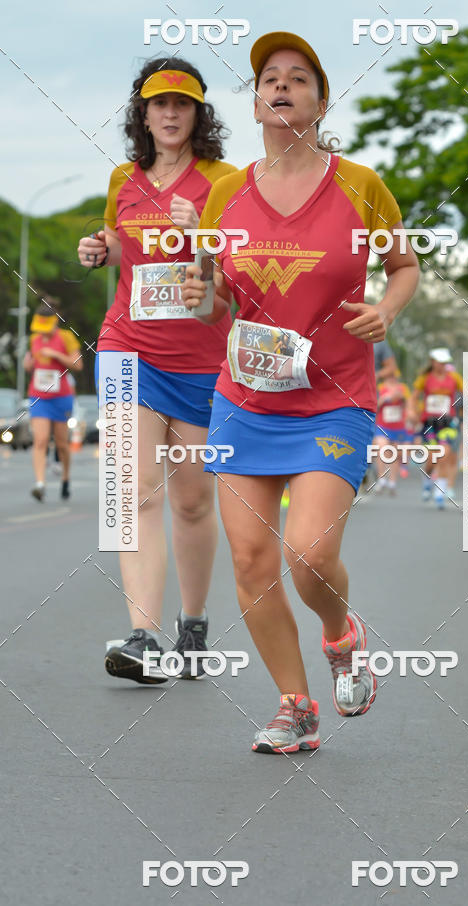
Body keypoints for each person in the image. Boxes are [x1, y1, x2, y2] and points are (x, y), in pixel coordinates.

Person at [182, 31, 419, 753]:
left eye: (298, 78)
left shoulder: (361, 185)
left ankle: (341, 635)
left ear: (320, 101)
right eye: (269, 79)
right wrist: (201, 299)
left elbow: (405, 266)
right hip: (245, 401)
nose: (281, 86)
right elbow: (217, 301)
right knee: (251, 560)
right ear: (256, 102)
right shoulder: (225, 194)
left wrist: (387, 310)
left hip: (334, 399)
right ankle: (295, 706)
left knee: (309, 554)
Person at [77, 59, 237, 683]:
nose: (170, 113)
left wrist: (204, 236)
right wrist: (100, 249)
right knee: (135, 486)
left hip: (200, 358)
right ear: (142, 114)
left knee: (191, 501)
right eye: (159, 103)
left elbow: (238, 269)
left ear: (198, 113)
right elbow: (123, 243)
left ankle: (192, 624)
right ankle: (143, 636)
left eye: (182, 103)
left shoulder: (223, 180)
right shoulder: (123, 177)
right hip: (128, 346)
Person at [23, 299, 82, 502]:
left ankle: (65, 478)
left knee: (62, 443)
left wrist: (56, 354)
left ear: (55, 322)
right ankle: (40, 484)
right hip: (39, 396)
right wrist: (28, 365)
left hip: (61, 397)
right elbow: (32, 364)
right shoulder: (34, 339)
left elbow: (78, 364)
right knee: (40, 440)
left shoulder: (66, 337)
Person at [412, 348, 462, 509]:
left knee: (445, 454)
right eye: (440, 362)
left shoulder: (454, 377)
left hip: (447, 422)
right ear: (433, 362)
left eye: (445, 362)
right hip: (430, 423)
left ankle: (440, 493)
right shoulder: (424, 378)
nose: (442, 365)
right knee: (432, 457)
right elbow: (414, 397)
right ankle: (427, 480)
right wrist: (413, 412)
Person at [372, 371, 415, 493]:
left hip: (398, 427)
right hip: (383, 426)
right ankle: (381, 479)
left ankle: (392, 482)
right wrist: (385, 398)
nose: (392, 378)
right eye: (390, 376)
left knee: (394, 454)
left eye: (394, 376)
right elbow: (374, 406)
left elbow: (409, 404)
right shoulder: (380, 388)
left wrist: (403, 400)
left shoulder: (403, 388)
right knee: (381, 449)